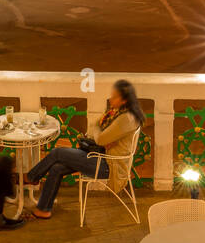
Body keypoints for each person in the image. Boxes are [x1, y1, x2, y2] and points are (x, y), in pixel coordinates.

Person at [24, 80, 144, 219]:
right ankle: (43, 209)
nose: (111, 99)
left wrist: (101, 131)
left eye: (115, 96)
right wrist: (102, 134)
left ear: (124, 100)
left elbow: (99, 136)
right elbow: (94, 132)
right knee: (57, 167)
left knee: (57, 152)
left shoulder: (125, 118)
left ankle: (31, 177)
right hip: (100, 156)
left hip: (108, 165)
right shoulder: (117, 113)